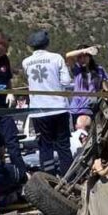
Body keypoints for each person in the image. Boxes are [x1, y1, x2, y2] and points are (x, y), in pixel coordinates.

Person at [21, 29, 74, 175]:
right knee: (63, 145)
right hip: (58, 108)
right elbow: (66, 81)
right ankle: (68, 178)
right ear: (47, 43)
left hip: (38, 111)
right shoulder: (56, 58)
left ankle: (48, 178)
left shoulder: (26, 62)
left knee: (44, 146)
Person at [69, 45, 108, 129]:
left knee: (84, 128)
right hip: (76, 108)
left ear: (89, 57)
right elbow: (68, 56)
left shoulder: (99, 69)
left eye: (84, 56)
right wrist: (85, 50)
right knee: (79, 132)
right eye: (79, 57)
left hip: (91, 107)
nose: (82, 59)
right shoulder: (77, 70)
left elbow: (105, 87)